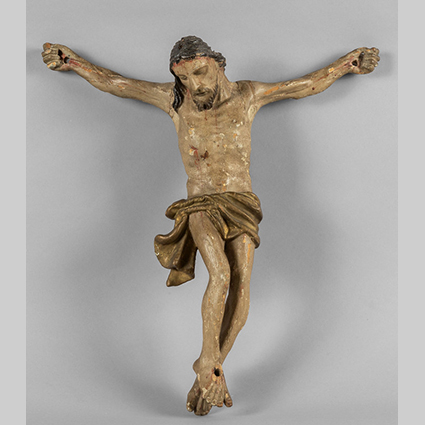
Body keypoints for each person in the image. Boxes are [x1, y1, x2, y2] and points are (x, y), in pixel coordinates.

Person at [42, 36, 380, 416]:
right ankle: (207, 362)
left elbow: (302, 86)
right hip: (201, 203)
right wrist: (73, 62)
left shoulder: (248, 96)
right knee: (219, 274)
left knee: (242, 285)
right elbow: (119, 84)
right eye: (184, 78)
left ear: (219, 64)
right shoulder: (175, 102)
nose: (194, 85)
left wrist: (347, 64)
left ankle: (211, 367)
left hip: (242, 203)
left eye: (200, 72)